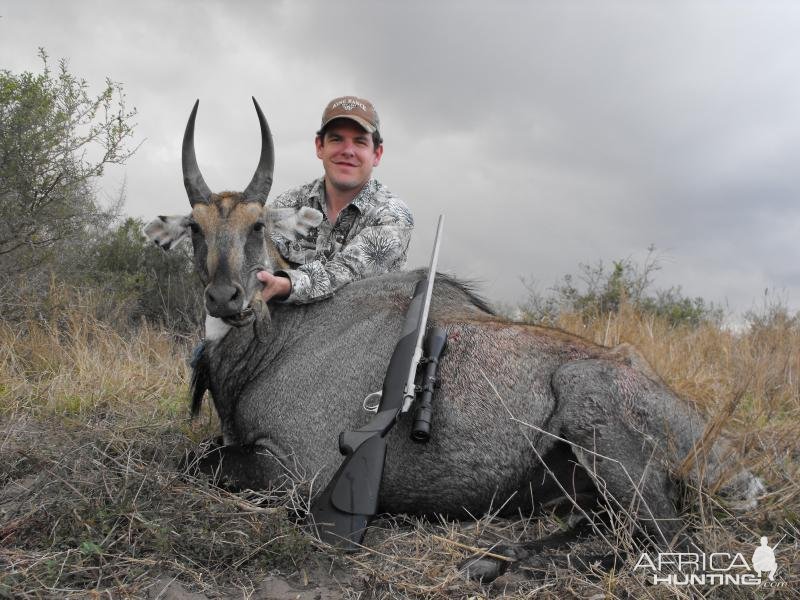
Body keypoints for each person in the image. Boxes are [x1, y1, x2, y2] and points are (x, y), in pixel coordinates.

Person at [257, 96, 414, 304]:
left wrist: (285, 285)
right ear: (320, 147)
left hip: (362, 330)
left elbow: (345, 271)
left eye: (360, 141)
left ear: (377, 154)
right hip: (286, 330)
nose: (348, 151)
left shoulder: (393, 216)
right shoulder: (287, 204)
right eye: (336, 139)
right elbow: (257, 253)